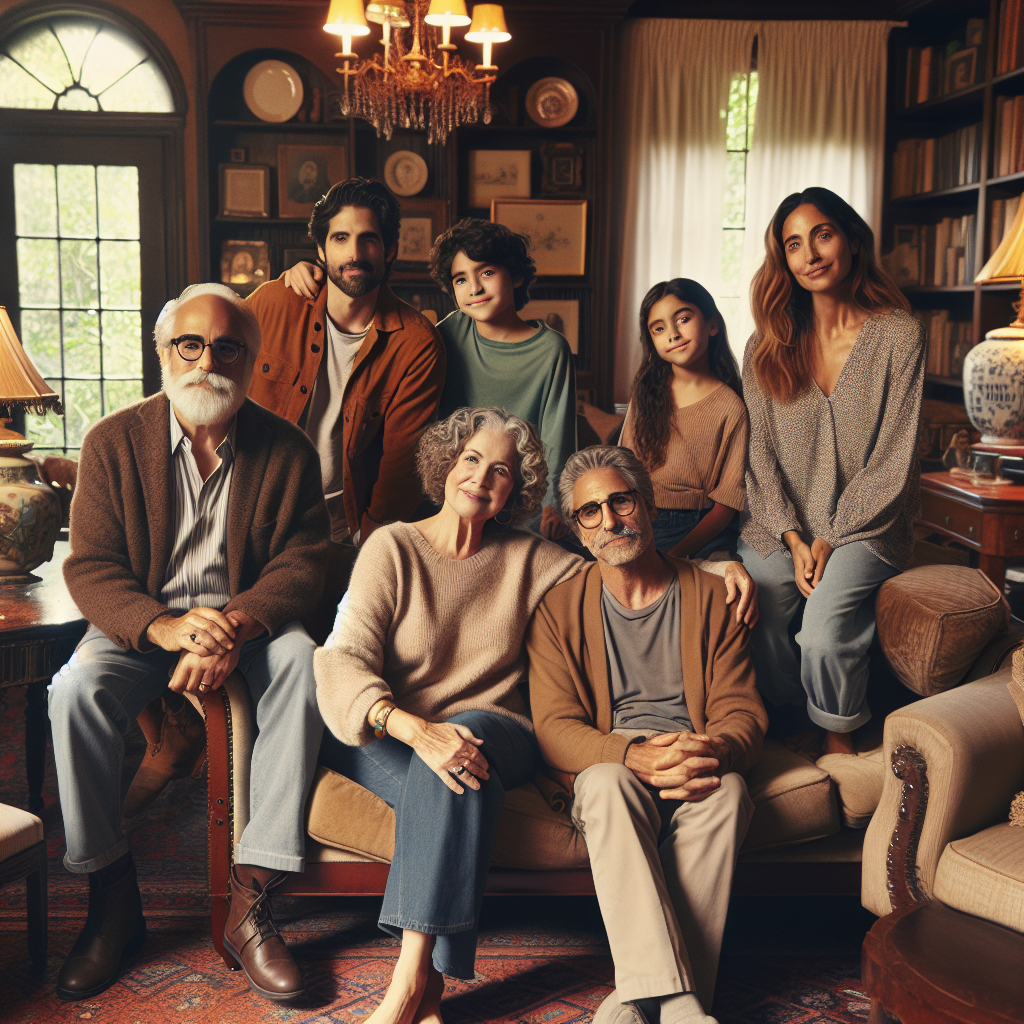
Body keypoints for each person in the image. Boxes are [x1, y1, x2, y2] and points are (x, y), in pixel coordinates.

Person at [313, 410, 757, 1024]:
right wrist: (416, 730)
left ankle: (411, 986)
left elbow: (620, 558)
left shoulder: (532, 557)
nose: (481, 477)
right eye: (471, 459)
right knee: (444, 765)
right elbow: (340, 662)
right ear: (446, 465)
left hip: (487, 730)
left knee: (461, 751)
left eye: (501, 470)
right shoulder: (391, 547)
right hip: (389, 725)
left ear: (514, 489)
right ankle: (423, 983)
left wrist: (718, 567)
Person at [50, 284, 330, 1003]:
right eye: (191, 344)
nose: (209, 360)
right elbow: (90, 566)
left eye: (228, 347)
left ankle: (252, 899)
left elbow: (304, 562)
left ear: (252, 359)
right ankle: (112, 899)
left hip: (247, 622)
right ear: (165, 352)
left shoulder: (288, 448)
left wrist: (235, 623)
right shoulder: (112, 441)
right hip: (144, 622)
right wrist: (163, 627)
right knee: (73, 692)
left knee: (303, 662)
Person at [528, 446, 767, 1024]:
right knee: (607, 783)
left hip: (692, 757)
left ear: (649, 506)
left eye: (620, 501)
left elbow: (743, 712)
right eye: (590, 512)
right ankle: (684, 1007)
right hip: (615, 764)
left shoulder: (714, 598)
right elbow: (555, 728)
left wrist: (713, 747)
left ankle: (634, 1004)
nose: (609, 521)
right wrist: (631, 754)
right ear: (578, 530)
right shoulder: (558, 610)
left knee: (731, 793)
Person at [737, 187, 924, 758]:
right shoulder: (766, 346)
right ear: (783, 262)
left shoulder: (898, 336)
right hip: (779, 523)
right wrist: (794, 538)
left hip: (869, 524)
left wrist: (828, 539)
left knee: (821, 628)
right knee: (764, 601)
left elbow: (895, 457)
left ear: (850, 239)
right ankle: (792, 715)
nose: (811, 254)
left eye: (822, 235)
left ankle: (838, 733)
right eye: (794, 245)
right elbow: (759, 459)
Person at [284, 217, 577, 541]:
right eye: (460, 279)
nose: (474, 288)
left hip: (518, 502)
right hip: (444, 499)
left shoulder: (551, 349)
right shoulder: (447, 333)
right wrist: (308, 273)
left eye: (487, 273)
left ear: (517, 276)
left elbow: (557, 439)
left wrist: (557, 508)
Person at [247, 176, 445, 552]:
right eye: (340, 238)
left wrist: (367, 545)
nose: (354, 253)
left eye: (368, 238)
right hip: (252, 517)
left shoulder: (416, 343)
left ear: (389, 250)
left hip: (341, 533)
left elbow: (401, 466)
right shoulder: (273, 303)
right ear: (321, 249)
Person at [620, 279, 747, 559]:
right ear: (651, 341)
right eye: (659, 328)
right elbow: (624, 467)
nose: (673, 334)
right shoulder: (644, 394)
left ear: (712, 325)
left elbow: (726, 505)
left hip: (698, 525)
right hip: (638, 515)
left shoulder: (730, 407)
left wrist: (675, 556)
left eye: (684, 319)